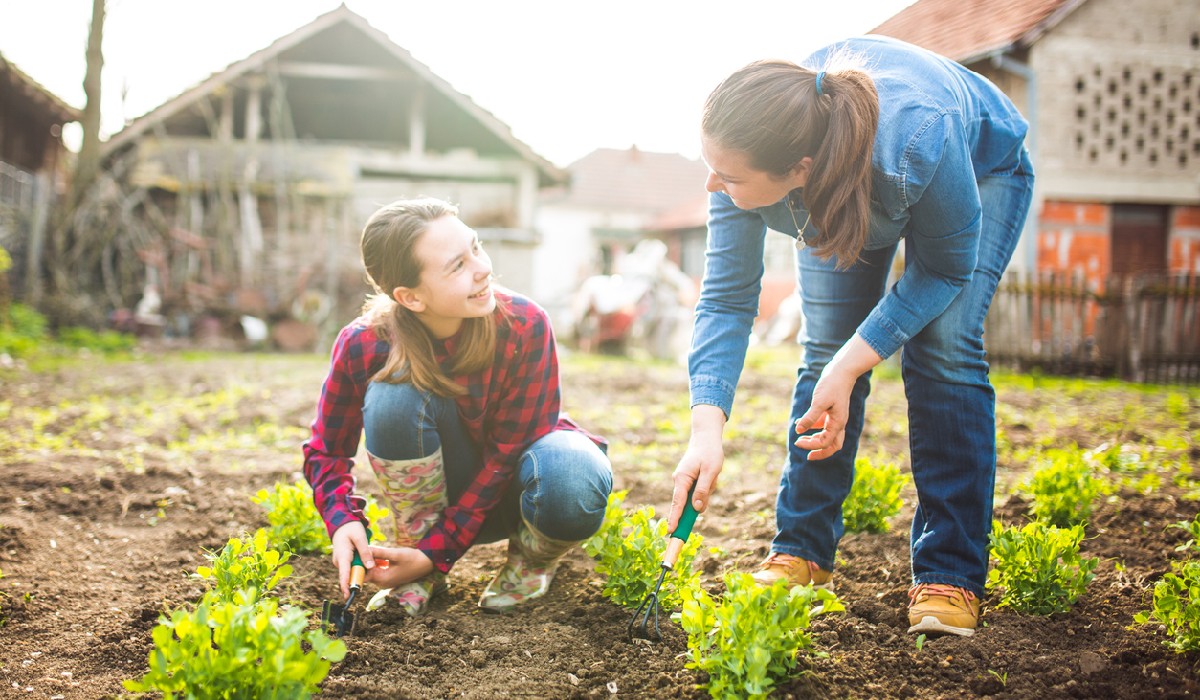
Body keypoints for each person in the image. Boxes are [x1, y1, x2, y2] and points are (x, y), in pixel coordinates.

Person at [668, 35, 1034, 637]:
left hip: (980, 167)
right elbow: (727, 299)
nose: (712, 185)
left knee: (942, 348)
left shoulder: (919, 137)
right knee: (826, 344)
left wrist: (851, 366)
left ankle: (950, 572)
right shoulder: (746, 160)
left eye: (726, 175)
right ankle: (803, 551)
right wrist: (705, 431)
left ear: (798, 171)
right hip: (840, 175)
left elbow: (944, 269)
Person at [303, 196, 612, 616]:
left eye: (476, 247)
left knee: (574, 476)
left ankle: (531, 562)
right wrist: (343, 522)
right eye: (457, 266)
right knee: (393, 395)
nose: (483, 267)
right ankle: (417, 562)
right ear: (410, 297)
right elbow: (327, 452)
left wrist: (438, 551)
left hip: (518, 494)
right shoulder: (364, 343)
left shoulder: (524, 325)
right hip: (437, 501)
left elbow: (506, 457)